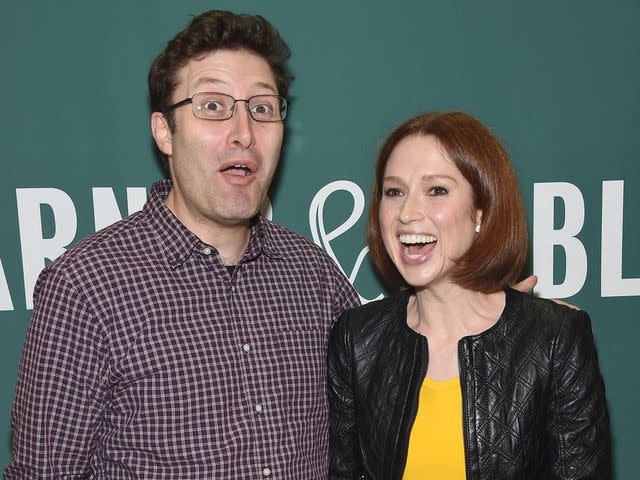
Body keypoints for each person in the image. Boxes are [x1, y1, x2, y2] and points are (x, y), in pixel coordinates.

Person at [4, 11, 361, 479]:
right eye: (212, 106)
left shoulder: (314, 277)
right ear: (163, 132)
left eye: (262, 107)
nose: (244, 132)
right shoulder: (86, 288)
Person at [327, 112, 611, 479]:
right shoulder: (357, 340)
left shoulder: (554, 340)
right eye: (394, 192)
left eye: (437, 191)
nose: (408, 214)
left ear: (481, 210)